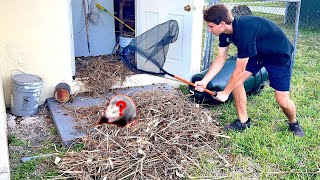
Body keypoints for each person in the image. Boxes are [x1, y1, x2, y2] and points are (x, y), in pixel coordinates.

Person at [194, 4, 304, 137]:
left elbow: (240, 70)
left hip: (278, 56)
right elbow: (220, 58)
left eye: (211, 26)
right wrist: (205, 81)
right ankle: (243, 121)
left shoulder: (244, 32)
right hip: (258, 53)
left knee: (282, 100)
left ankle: (294, 123)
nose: (209, 30)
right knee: (236, 81)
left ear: (222, 23)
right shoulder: (224, 32)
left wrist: (225, 92)